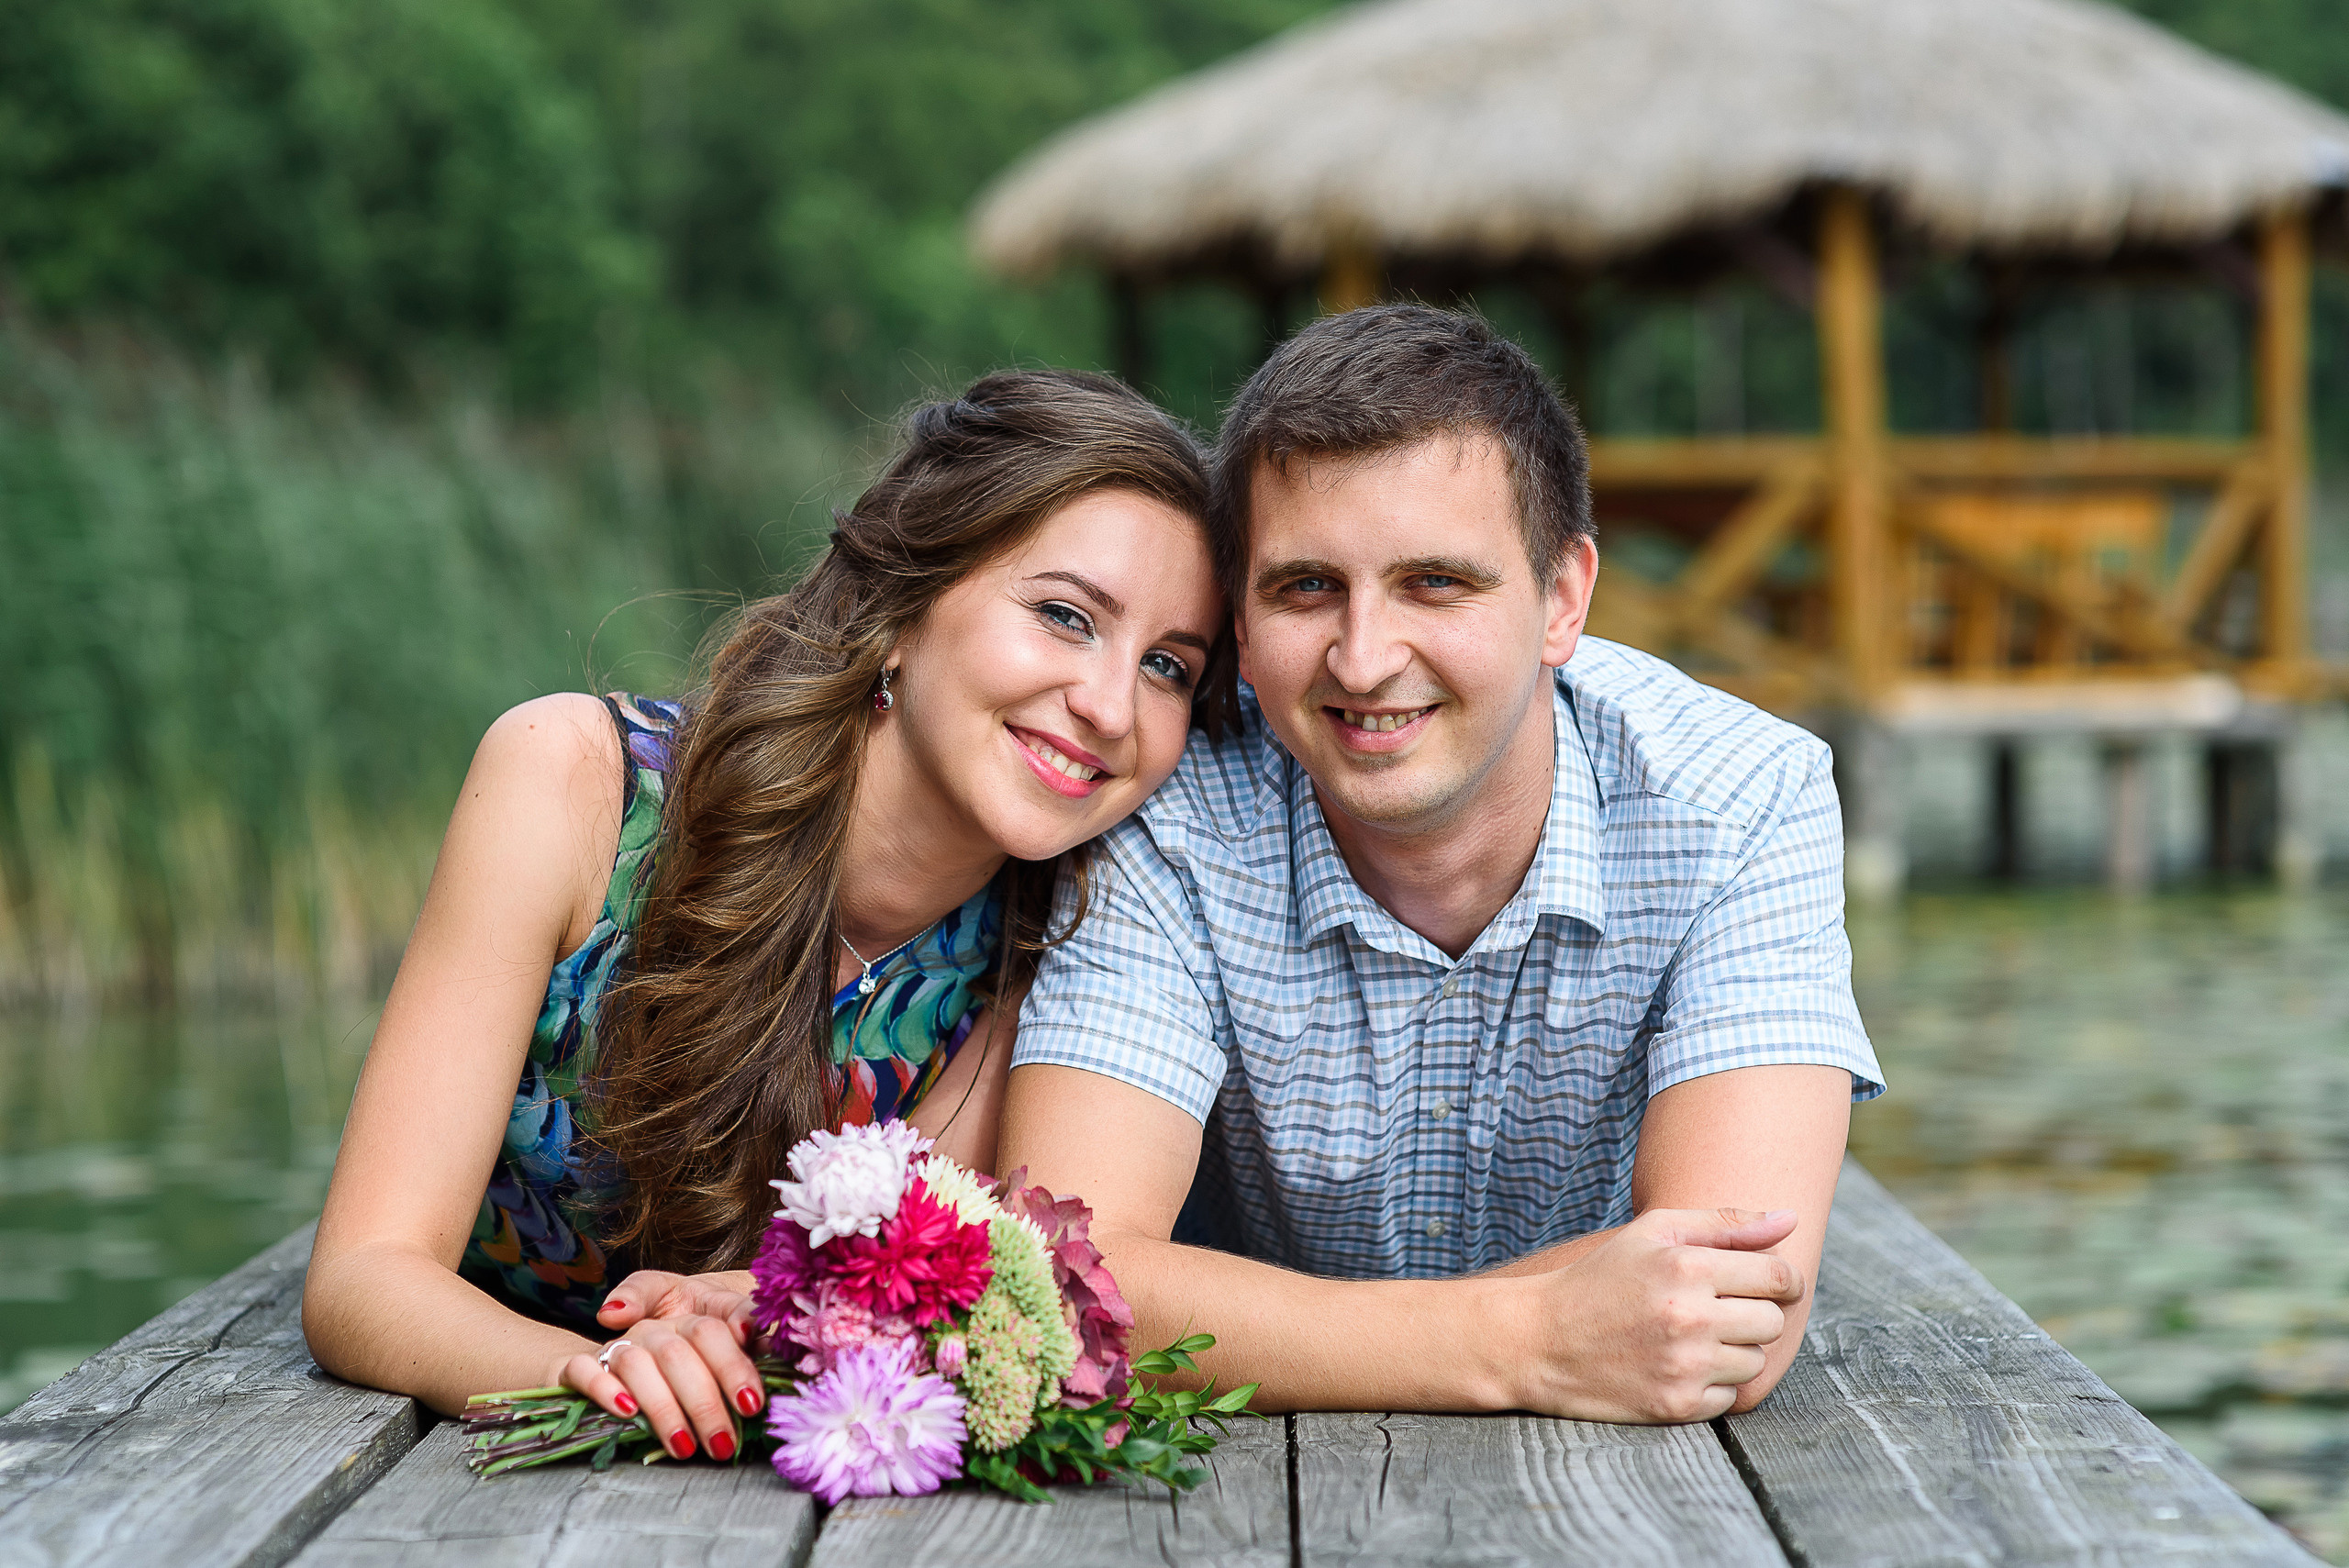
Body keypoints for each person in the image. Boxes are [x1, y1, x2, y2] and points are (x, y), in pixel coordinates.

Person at [302, 370, 1229, 1462]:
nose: (1112, 706)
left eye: (1168, 666)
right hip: (478, 1425)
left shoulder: (1068, 941)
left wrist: (766, 1312)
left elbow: (909, 1286)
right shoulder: (577, 787)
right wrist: (587, 1371)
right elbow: (366, 1269)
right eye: (1064, 615)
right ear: (899, 606)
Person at [1000, 306, 1886, 1423]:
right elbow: (1066, 1286)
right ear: (1240, 605)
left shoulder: (1744, 797)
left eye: (1434, 583)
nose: (1364, 659)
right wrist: (1531, 1340)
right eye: (1306, 586)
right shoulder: (1164, 806)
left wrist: (1260, 1322)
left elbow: (1732, 1317)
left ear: (1562, 598)